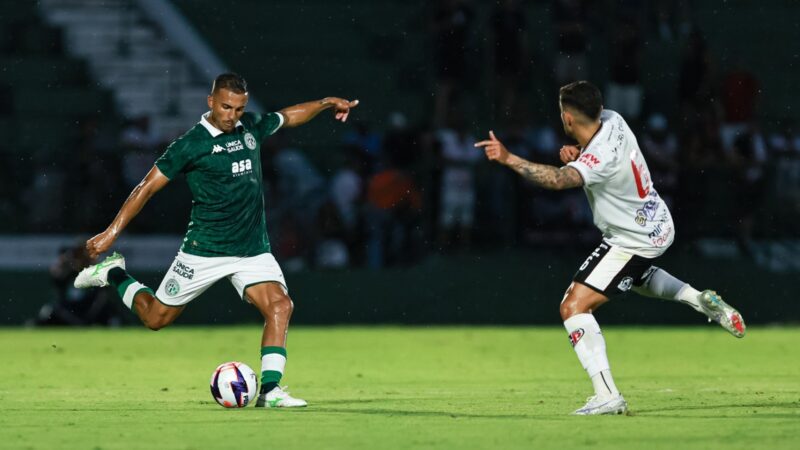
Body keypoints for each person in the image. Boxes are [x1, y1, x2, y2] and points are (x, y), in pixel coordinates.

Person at [73, 73, 359, 408]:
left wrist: (325, 104)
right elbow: (146, 187)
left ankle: (270, 391)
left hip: (252, 249)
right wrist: (111, 231)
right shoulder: (190, 145)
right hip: (204, 250)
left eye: (238, 108)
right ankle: (113, 273)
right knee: (155, 319)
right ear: (210, 101)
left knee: (281, 305)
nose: (231, 115)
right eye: (225, 106)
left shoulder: (249, 127)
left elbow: (289, 115)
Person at [475, 81, 746, 415]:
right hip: (657, 222)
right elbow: (595, 155)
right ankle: (699, 300)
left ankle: (607, 394)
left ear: (568, 118)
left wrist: (509, 158)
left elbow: (559, 181)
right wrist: (578, 152)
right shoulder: (615, 120)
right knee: (635, 276)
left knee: (573, 306)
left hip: (630, 238)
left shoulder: (597, 156)